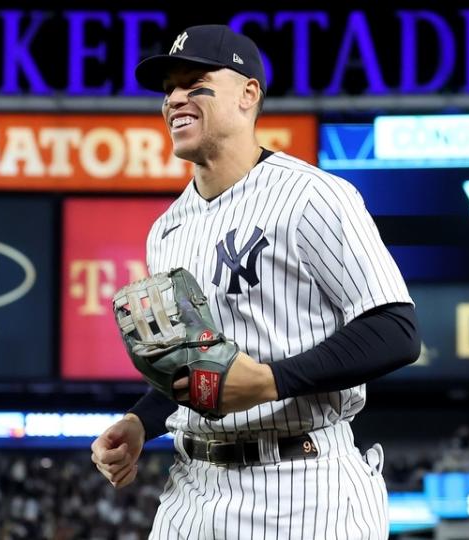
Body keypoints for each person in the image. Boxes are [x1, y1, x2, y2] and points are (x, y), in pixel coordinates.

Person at [91, 24, 420, 539]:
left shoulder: (312, 197)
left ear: (249, 95)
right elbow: (198, 371)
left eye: (195, 83)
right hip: (194, 489)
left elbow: (396, 330)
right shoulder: (168, 230)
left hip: (307, 483)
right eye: (168, 89)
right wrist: (140, 423)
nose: (175, 98)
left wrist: (270, 381)